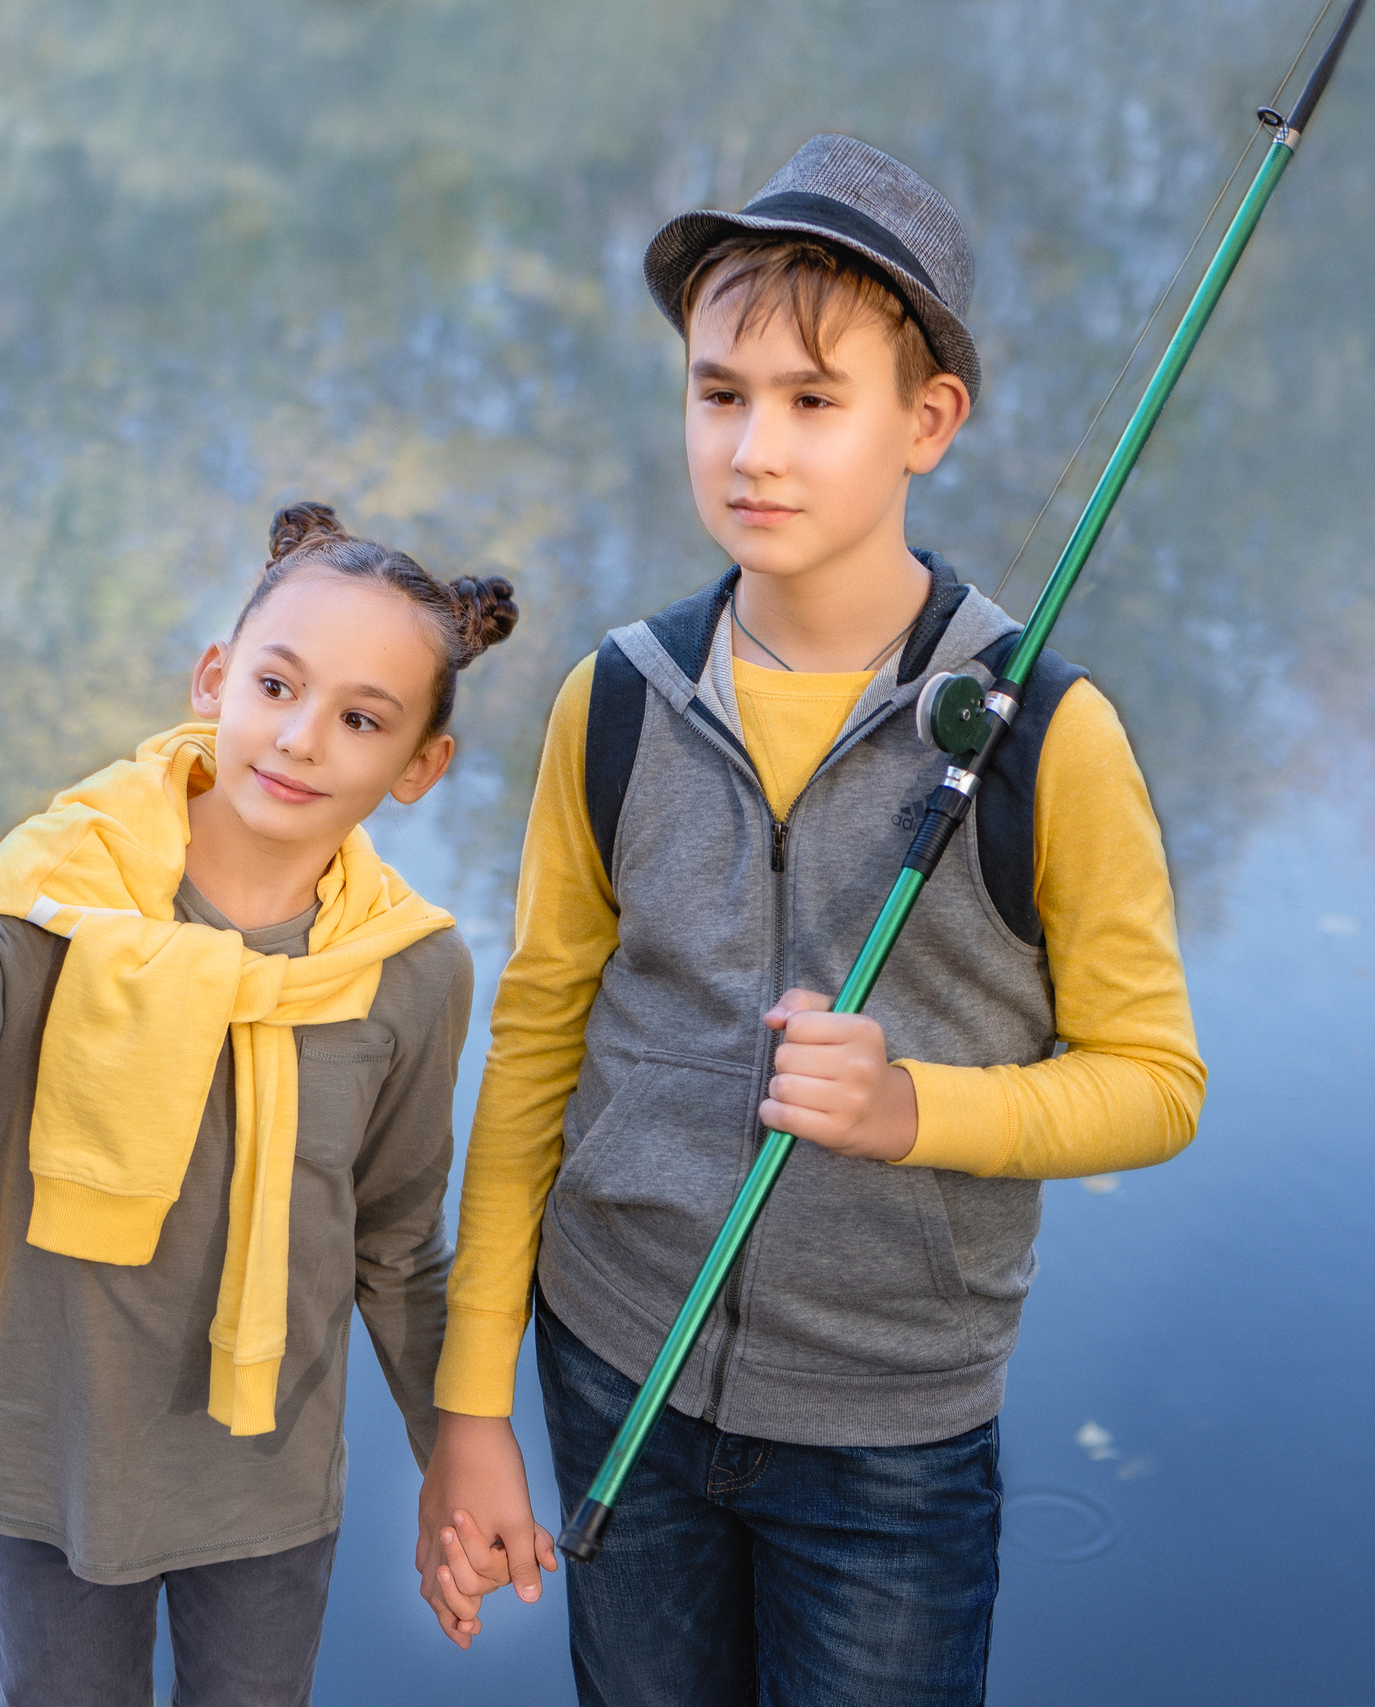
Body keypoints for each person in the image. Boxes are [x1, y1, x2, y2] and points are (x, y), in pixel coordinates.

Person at [412, 135, 1207, 1704]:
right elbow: (533, 1055)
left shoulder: (1053, 733)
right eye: (720, 392)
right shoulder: (617, 701)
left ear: (928, 422)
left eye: (812, 399)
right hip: (611, 1366)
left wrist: (917, 1108)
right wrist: (469, 1401)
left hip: (889, 1439)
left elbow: (1157, 1082)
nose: (754, 447)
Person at [0, 503, 516, 1707]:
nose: (299, 739)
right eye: (277, 686)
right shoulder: (54, 904)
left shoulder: (409, 971)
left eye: (359, 719)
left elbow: (394, 1247)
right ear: (213, 679)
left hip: (267, 1488)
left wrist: (456, 1452)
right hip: (55, 1471)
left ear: (417, 768)